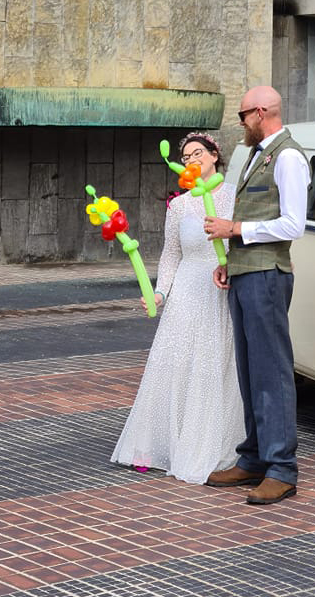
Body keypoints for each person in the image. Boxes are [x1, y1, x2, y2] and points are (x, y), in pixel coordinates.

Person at [109, 133, 244, 484]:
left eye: (198, 153)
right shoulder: (179, 205)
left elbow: (242, 240)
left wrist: (233, 267)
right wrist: (159, 294)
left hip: (221, 288)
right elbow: (171, 254)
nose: (192, 161)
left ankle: (214, 447)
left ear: (215, 156)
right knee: (175, 365)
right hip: (187, 288)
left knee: (215, 367)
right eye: (185, 157)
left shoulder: (233, 196)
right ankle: (155, 446)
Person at [202, 86, 308, 505]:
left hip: (268, 275)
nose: (242, 123)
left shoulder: (289, 157)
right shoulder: (259, 153)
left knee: (271, 372)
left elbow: (293, 225)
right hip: (249, 272)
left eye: (244, 114)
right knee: (249, 370)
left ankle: (282, 468)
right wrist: (231, 256)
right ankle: (255, 458)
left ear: (261, 112)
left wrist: (237, 230)